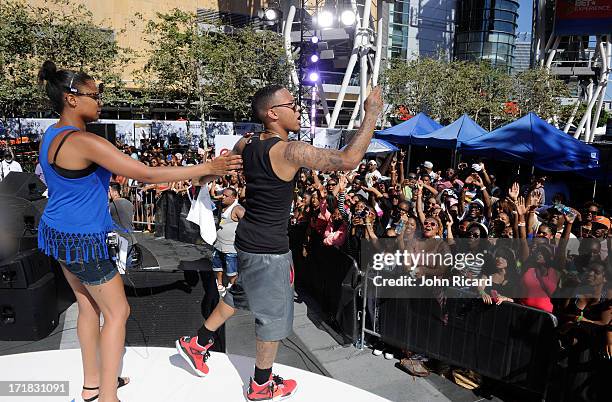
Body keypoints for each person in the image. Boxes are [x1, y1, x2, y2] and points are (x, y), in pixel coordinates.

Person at [37, 61, 241, 402]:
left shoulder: (51, 135)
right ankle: (107, 397)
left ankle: (93, 386)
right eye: (94, 94)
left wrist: (199, 173)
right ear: (71, 99)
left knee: (88, 308)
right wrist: (208, 167)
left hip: (57, 234)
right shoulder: (84, 142)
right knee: (118, 312)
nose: (100, 100)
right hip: (84, 241)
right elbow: (145, 174)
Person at [176, 84, 383, 401]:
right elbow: (349, 159)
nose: (299, 109)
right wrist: (371, 113)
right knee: (271, 318)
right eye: (293, 104)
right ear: (272, 113)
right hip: (268, 250)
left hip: (248, 241)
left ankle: (199, 341)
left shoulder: (246, 143)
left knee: (241, 293)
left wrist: (205, 180)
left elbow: (223, 169)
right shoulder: (290, 151)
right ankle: (260, 385)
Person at [212, 186, 245, 294]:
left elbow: (248, 223)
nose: (223, 197)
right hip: (218, 244)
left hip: (230, 247)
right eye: (223, 194)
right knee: (217, 266)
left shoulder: (238, 209)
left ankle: (233, 288)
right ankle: (220, 284)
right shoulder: (223, 205)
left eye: (226, 196)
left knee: (231, 271)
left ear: (234, 198)